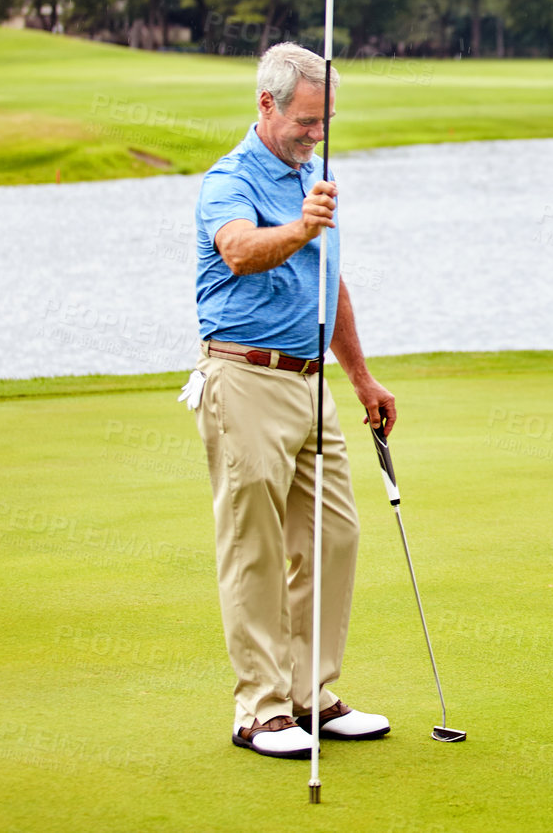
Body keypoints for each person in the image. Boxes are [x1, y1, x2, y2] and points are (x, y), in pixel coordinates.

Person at [186, 42, 399, 756]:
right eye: (308, 120)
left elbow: (328, 281)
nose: (318, 134)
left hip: (311, 383)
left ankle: (311, 695)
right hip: (243, 376)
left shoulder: (316, 174)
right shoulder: (229, 179)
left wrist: (361, 378)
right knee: (255, 546)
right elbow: (241, 250)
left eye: (327, 121)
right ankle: (260, 710)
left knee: (335, 535)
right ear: (266, 104)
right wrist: (302, 228)